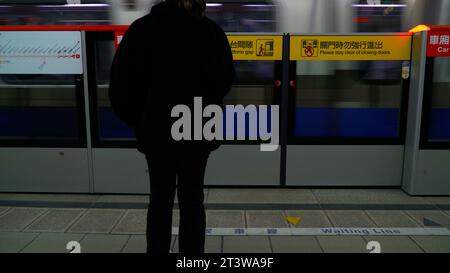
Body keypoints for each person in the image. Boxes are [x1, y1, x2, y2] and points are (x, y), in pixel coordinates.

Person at [108, 0, 235, 253]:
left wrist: (141, 120)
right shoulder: (210, 31)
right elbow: (225, 80)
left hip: (156, 134)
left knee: (159, 201)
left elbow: (119, 87)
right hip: (196, 131)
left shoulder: (141, 29)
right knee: (192, 201)